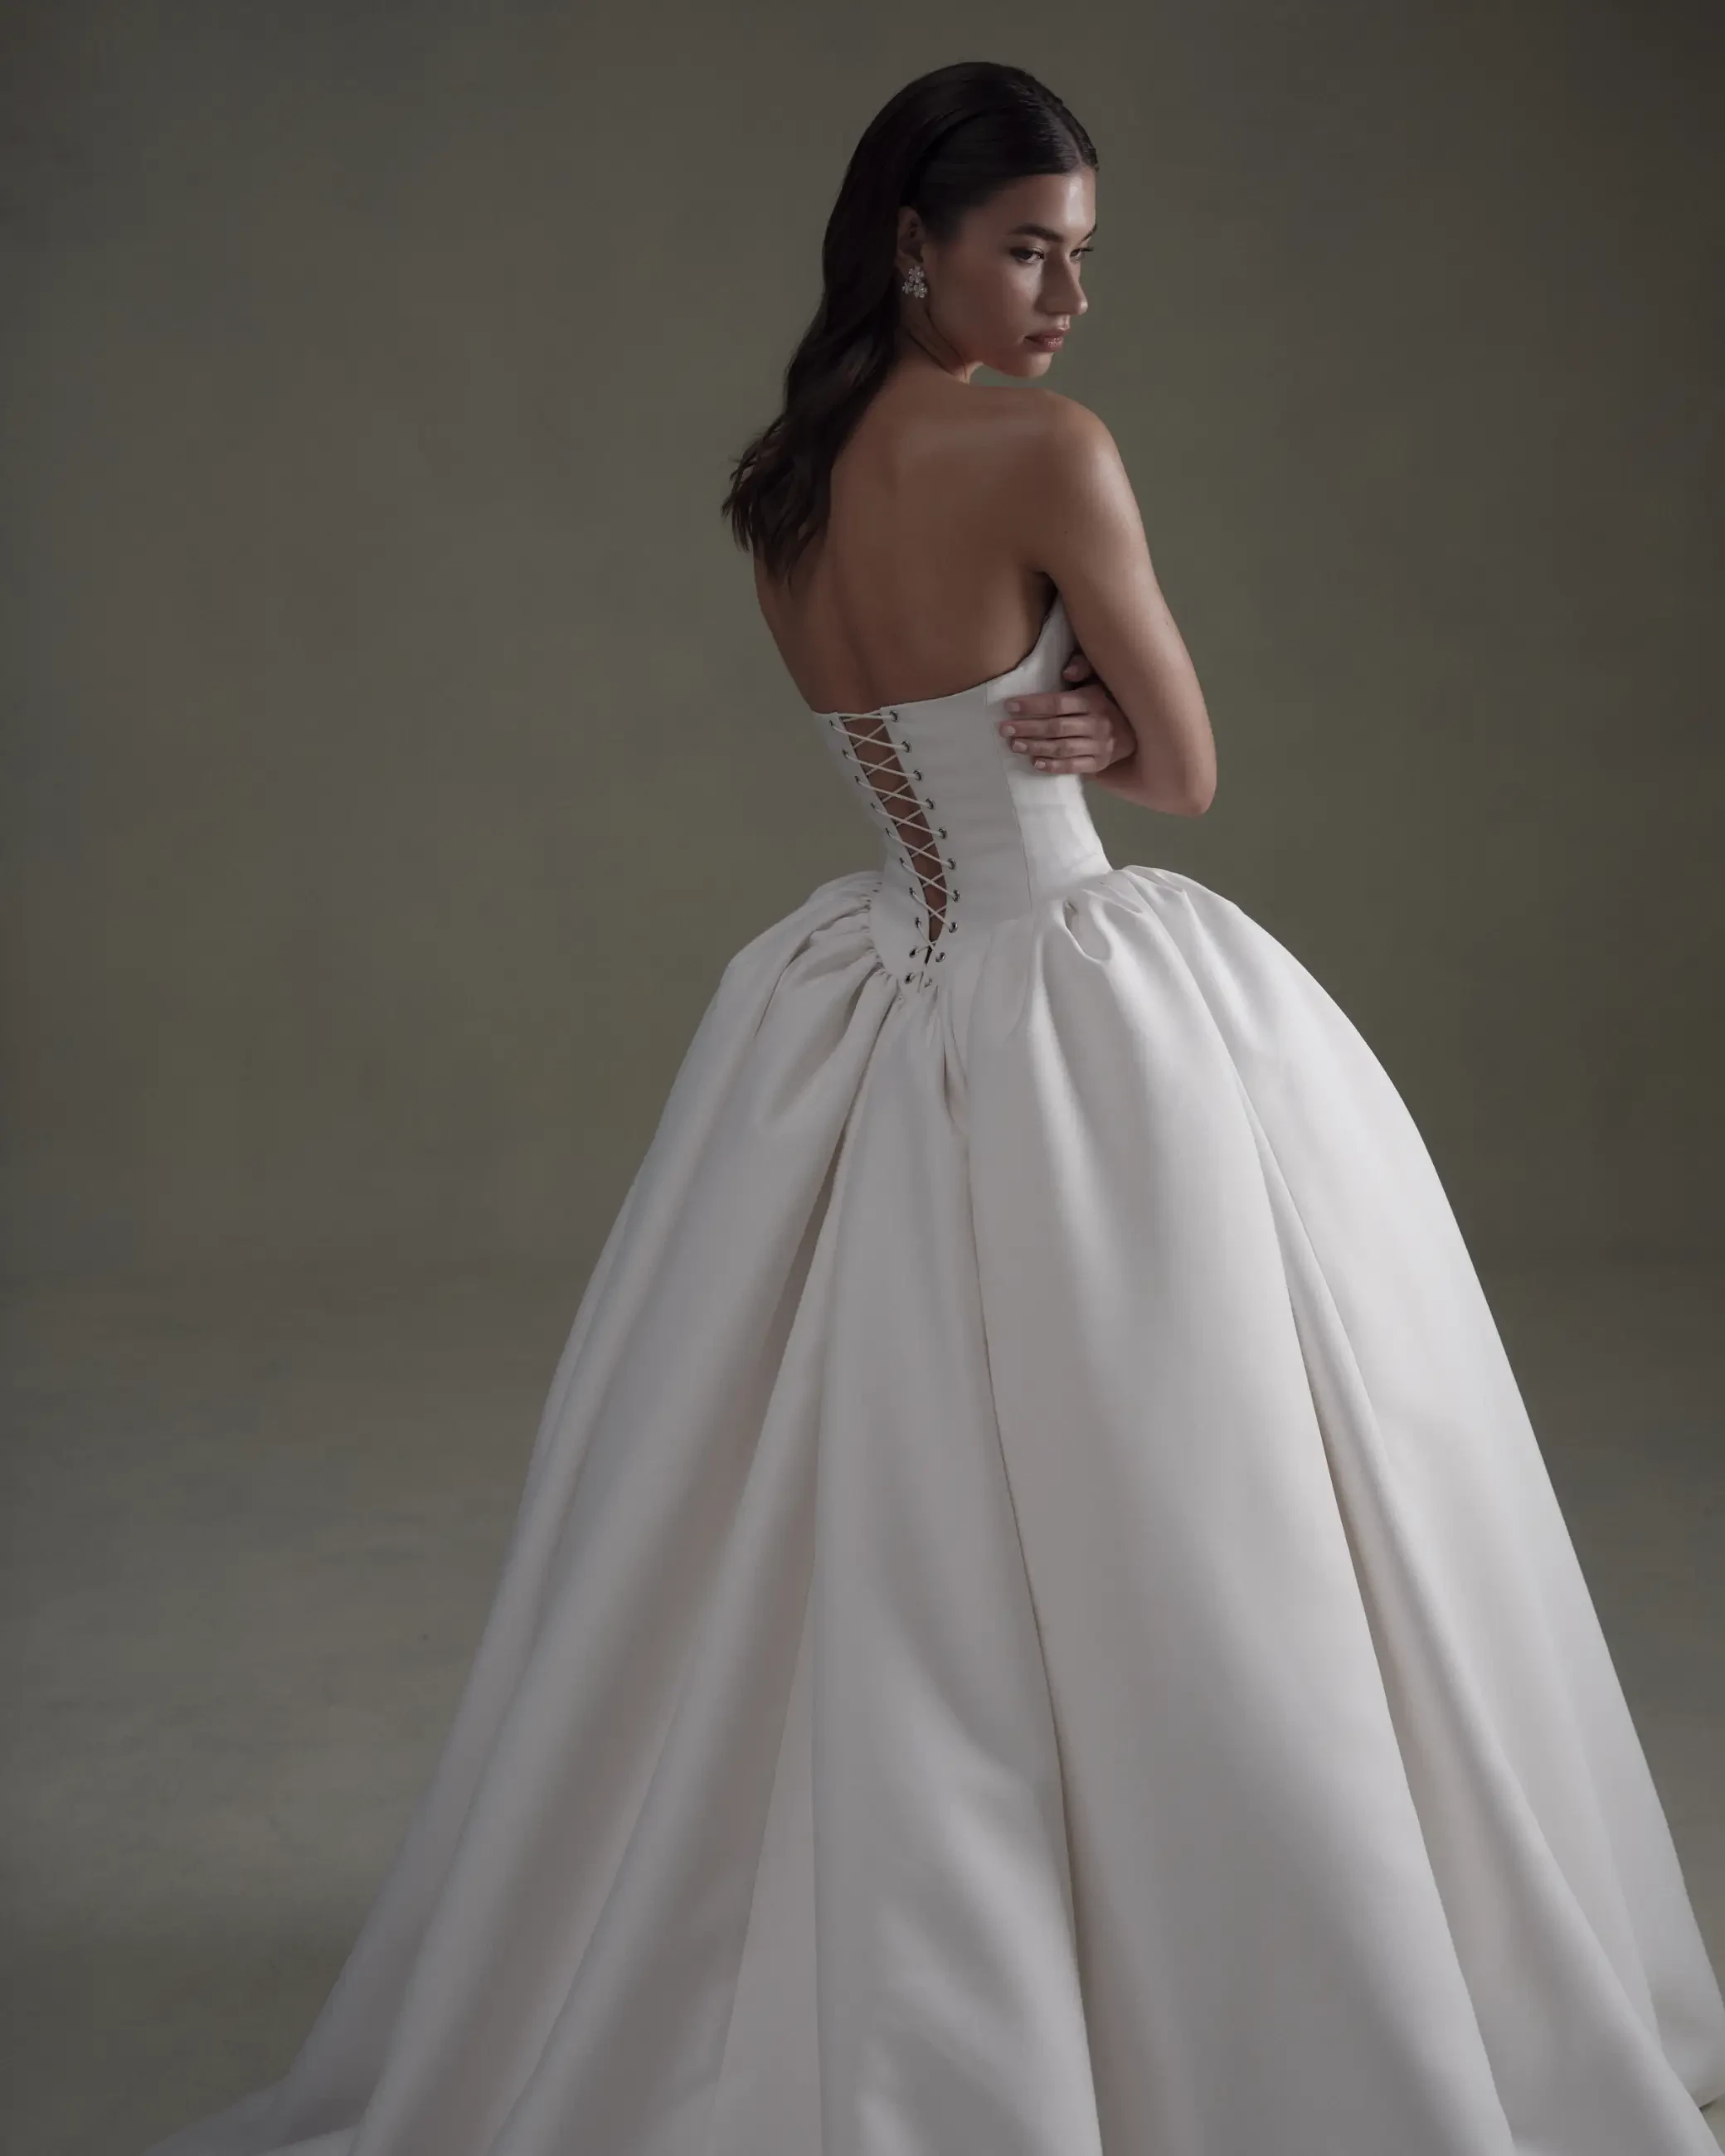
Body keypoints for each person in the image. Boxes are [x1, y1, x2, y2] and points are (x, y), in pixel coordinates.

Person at [145, 58, 1724, 2156]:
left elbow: (918, 735)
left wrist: (1030, 714)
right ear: (911, 240)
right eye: (1023, 247)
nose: (1064, 297)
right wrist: (1077, 709)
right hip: (1070, 1004)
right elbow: (1177, 770)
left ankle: (916, 1971)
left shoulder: (784, 485)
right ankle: (1238, 1988)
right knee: (1186, 1503)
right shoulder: (1045, 452)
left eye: (1081, 256)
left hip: (874, 990)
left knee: (879, 1520)